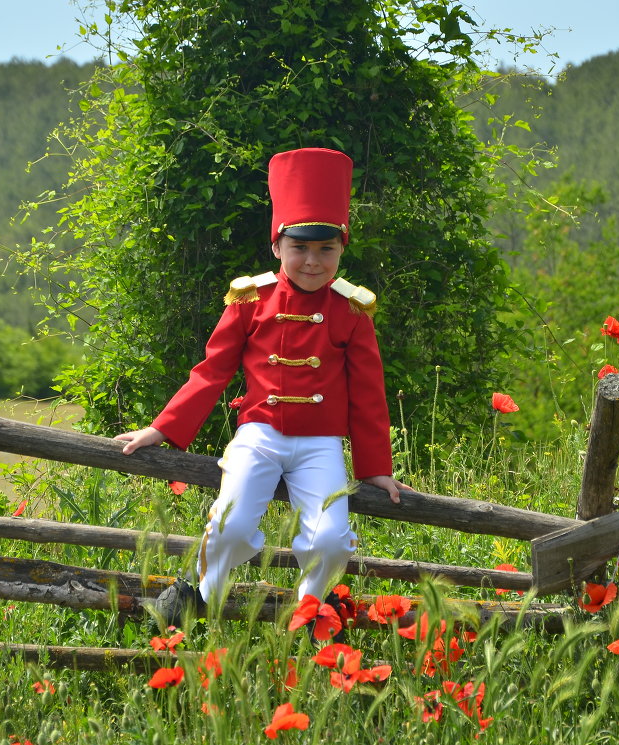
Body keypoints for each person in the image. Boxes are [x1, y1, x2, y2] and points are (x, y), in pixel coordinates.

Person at [115, 147, 410, 629]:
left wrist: (376, 467)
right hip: (259, 434)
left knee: (331, 540)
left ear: (341, 248)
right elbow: (211, 371)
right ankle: (196, 598)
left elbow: (368, 395)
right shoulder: (251, 300)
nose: (313, 261)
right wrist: (163, 428)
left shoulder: (352, 311)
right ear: (277, 246)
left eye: (326, 249)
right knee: (229, 527)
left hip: (320, 445)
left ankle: (310, 612)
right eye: (300, 248)